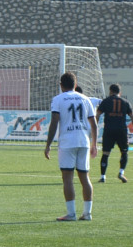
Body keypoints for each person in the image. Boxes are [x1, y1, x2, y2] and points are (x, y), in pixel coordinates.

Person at [44, 72, 97, 221]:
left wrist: (48, 145)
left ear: (61, 85)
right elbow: (93, 123)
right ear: (75, 83)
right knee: (85, 177)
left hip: (67, 142)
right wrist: (94, 144)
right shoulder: (85, 99)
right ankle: (87, 213)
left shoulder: (58, 99)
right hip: (84, 142)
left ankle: (71, 213)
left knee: (67, 177)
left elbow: (55, 121)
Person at [95, 83, 132, 183]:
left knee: (106, 153)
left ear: (110, 91)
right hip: (121, 130)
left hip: (109, 130)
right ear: (120, 92)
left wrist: (95, 126)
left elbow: (97, 114)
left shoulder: (106, 101)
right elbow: (132, 115)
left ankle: (103, 177)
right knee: (124, 152)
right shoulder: (125, 102)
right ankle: (121, 172)